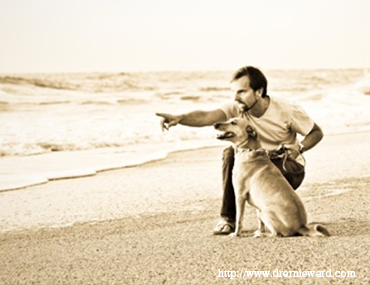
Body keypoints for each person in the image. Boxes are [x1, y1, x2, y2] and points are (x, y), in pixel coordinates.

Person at [156, 66, 324, 235]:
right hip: (255, 163)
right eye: (234, 92)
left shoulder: (287, 109)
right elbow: (205, 116)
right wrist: (179, 118)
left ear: (259, 92)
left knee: (259, 174)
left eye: (242, 92)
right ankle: (229, 218)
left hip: (288, 166)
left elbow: (316, 132)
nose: (236, 98)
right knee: (230, 153)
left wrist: (298, 148)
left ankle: (280, 220)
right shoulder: (237, 108)